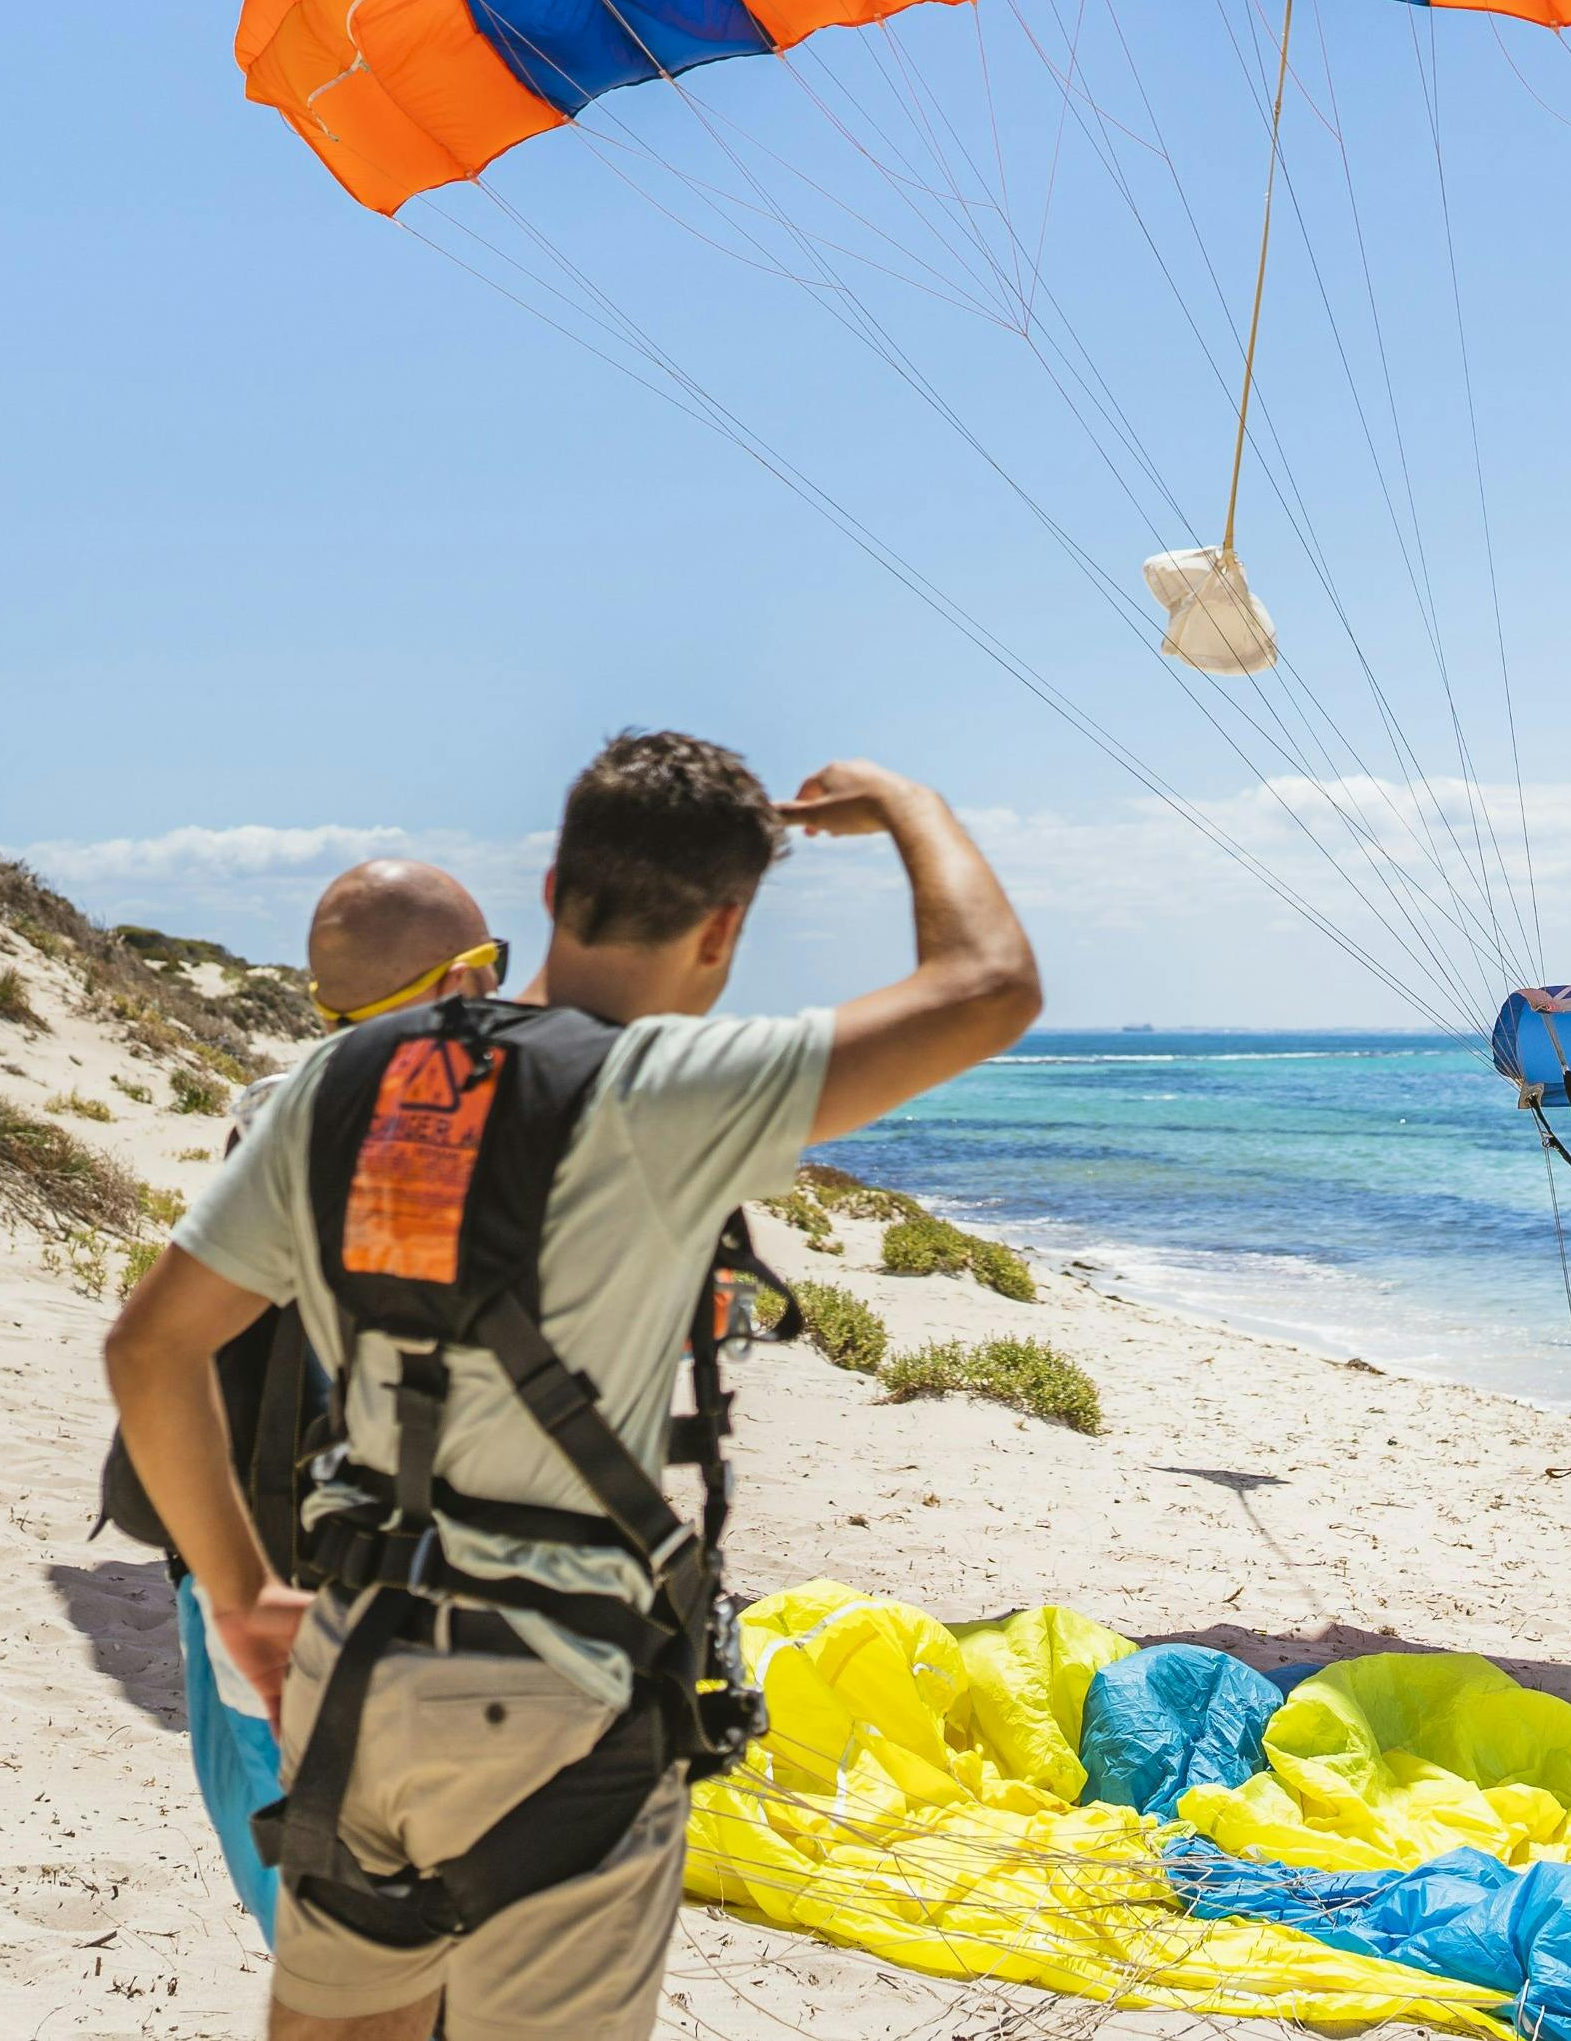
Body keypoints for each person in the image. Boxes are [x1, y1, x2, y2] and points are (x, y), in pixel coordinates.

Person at [105, 733, 1041, 2041]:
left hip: (352, 1668)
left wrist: (241, 1591)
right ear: (720, 933)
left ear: (550, 889)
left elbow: (149, 1351)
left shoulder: (340, 1079)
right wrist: (909, 803)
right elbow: (990, 985)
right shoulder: (667, 1092)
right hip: (557, 1696)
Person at [152, 858, 519, 1941]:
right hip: (388, 1594)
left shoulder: (270, 1113)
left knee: (296, 1900)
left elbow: (163, 1353)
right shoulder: (441, 1135)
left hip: (236, 1570)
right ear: (458, 980)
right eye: (493, 968)